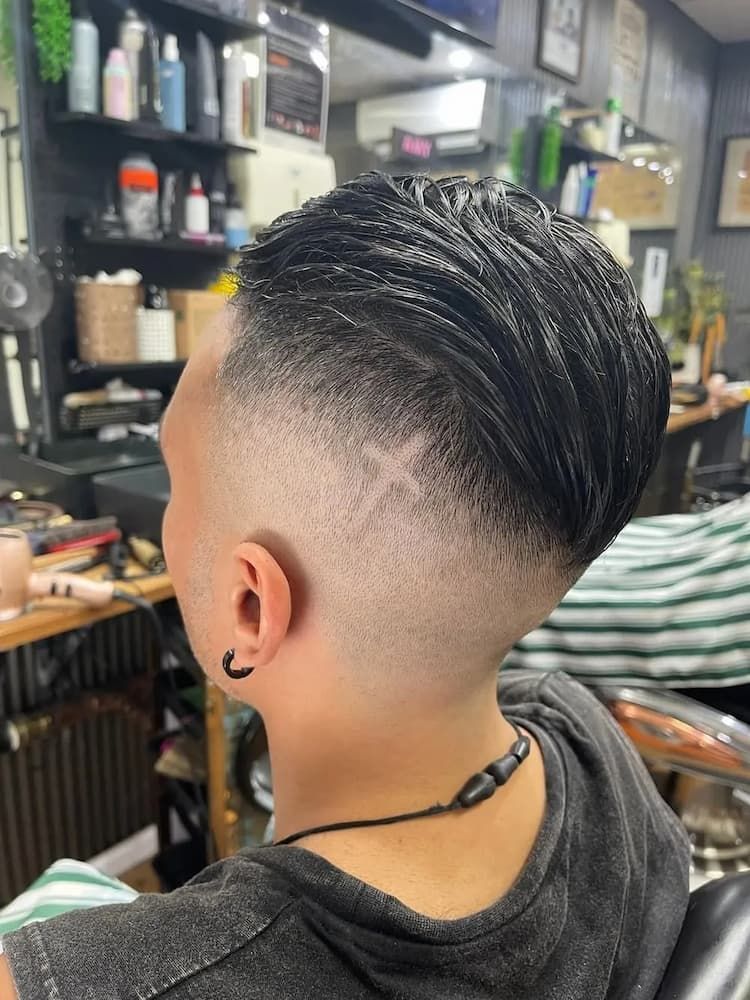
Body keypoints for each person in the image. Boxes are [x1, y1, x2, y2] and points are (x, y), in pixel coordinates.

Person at [0, 174, 689, 999]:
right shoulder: (587, 741)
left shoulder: (96, 984)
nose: (167, 520)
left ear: (252, 606)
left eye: (176, 482)